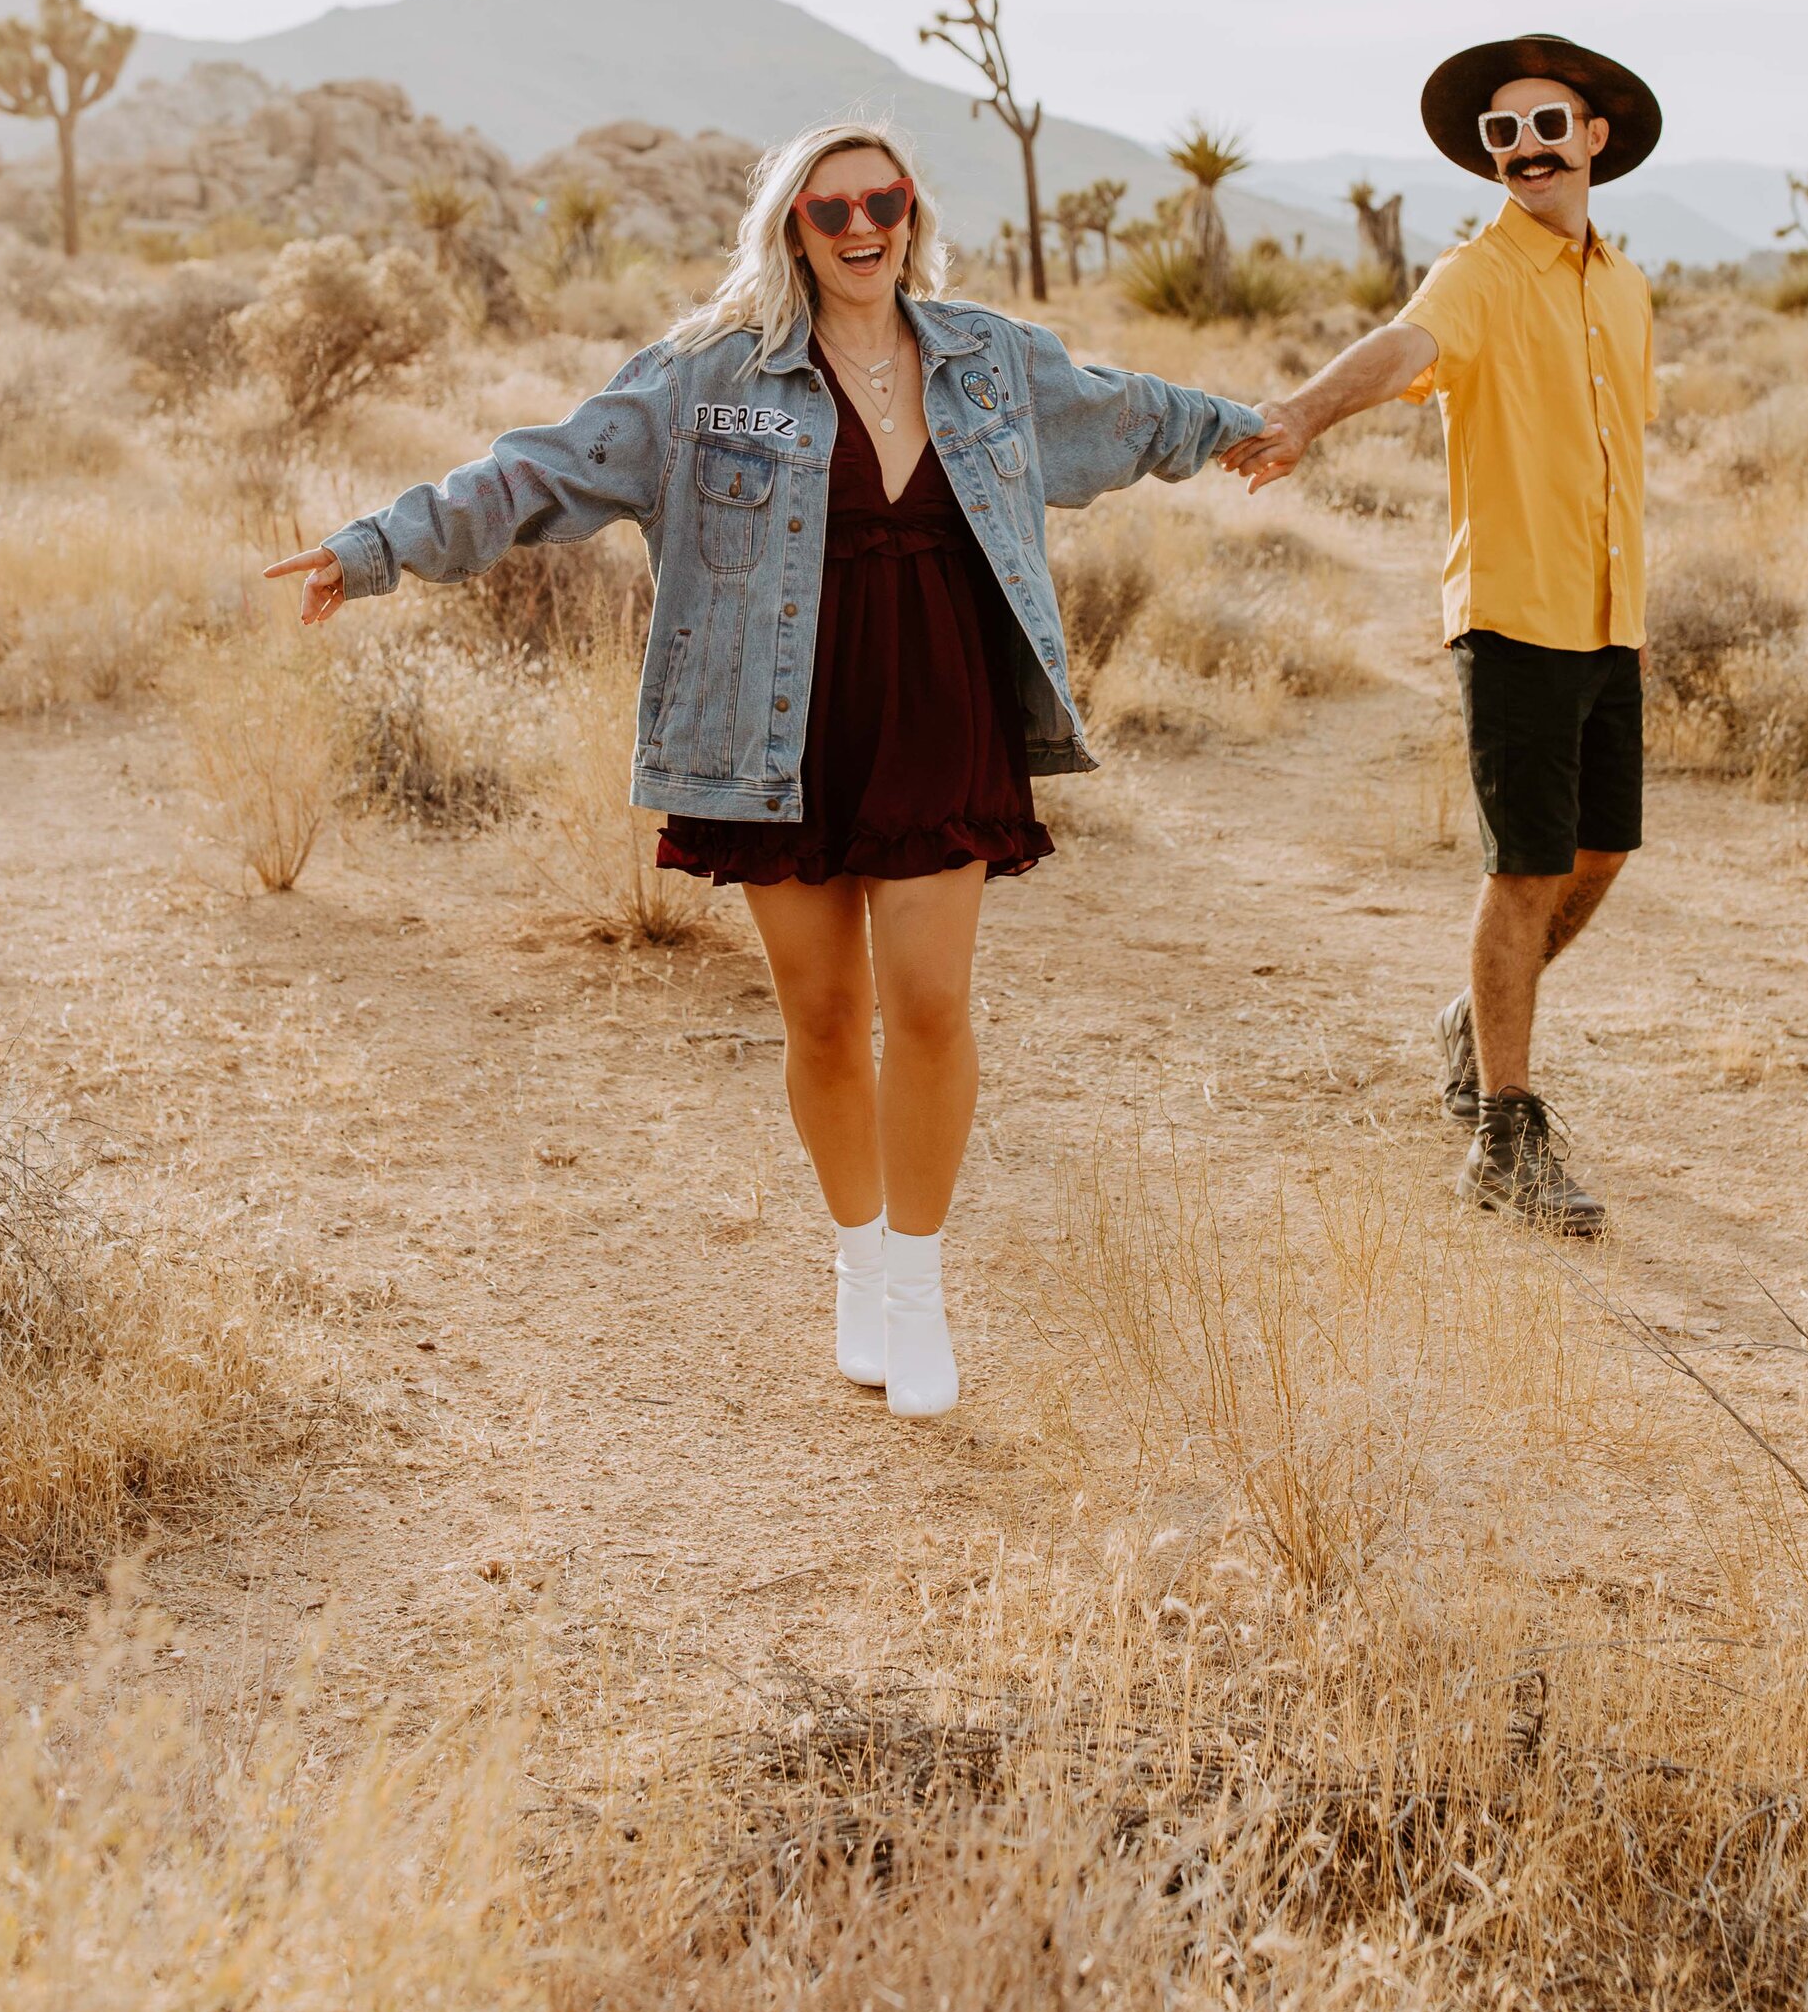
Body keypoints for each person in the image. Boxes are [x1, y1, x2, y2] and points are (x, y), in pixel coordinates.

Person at [268, 119, 1260, 1414]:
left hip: (939, 710)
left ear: (912, 211)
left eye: (883, 200)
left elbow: (1131, 412)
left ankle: (916, 1284)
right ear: (790, 225)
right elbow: (538, 469)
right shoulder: (708, 379)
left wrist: (1257, 425)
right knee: (827, 1016)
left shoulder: (987, 360)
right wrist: (376, 546)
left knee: (934, 1005)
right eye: (829, 208)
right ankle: (857, 1256)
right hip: (770, 727)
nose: (861, 227)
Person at [1225, 31, 1661, 1236]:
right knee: (1523, 868)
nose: (1524, 147)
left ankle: (1475, 1023)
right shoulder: (1475, 275)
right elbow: (1404, 350)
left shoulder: (1623, 284)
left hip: (1610, 612)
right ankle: (1503, 1133)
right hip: (1516, 612)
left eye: (1545, 126)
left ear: (1593, 139)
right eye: (1501, 134)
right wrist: (1306, 414)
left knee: (1600, 854)